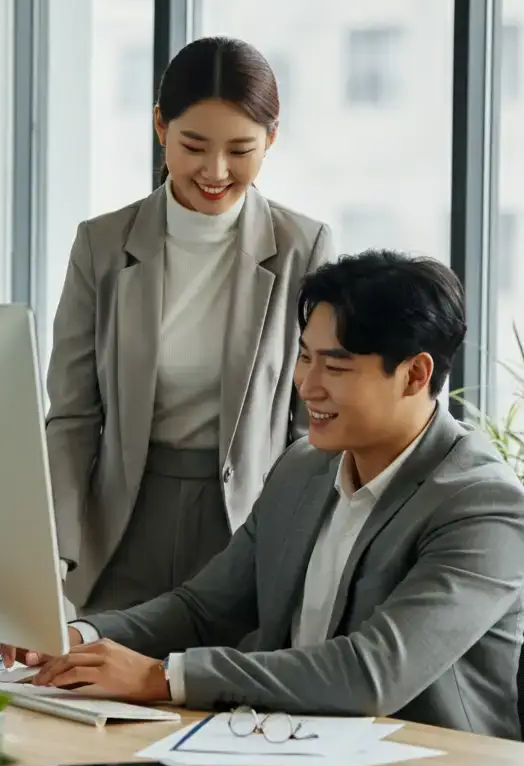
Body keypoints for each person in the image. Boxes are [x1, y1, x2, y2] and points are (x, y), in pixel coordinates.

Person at [0, 251, 524, 739]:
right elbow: (202, 609)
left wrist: (160, 678)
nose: (307, 384)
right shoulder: (303, 468)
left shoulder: (482, 506)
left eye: (336, 366)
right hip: (284, 749)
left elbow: (372, 674)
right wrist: (78, 636)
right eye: (304, 356)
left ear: (415, 374)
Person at [47, 36, 333, 615]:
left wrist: (299, 552)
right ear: (160, 127)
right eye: (194, 145)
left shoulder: (304, 249)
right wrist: (54, 552)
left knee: (211, 693)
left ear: (272, 138)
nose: (215, 171)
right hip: (121, 526)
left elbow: (312, 427)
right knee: (93, 687)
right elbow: (73, 417)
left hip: (247, 528)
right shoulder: (101, 246)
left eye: (241, 149)